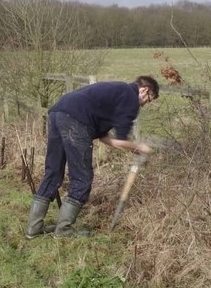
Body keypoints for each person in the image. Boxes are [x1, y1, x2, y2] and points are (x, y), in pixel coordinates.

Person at [25, 75, 159, 239]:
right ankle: (63, 230)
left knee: (53, 171)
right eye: (149, 99)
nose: (145, 104)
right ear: (144, 90)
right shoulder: (131, 98)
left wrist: (134, 149)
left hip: (57, 112)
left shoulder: (116, 91)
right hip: (76, 120)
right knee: (82, 178)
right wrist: (139, 147)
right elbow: (121, 140)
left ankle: (33, 228)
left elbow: (106, 139)